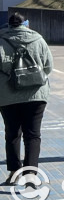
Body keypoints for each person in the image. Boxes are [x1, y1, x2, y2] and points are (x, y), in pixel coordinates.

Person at [0, 13, 53, 185]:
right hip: (36, 95)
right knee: (33, 134)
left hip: (7, 95)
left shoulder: (1, 40)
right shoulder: (38, 39)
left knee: (12, 133)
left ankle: (14, 173)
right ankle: (31, 175)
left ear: (9, 25)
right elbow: (48, 66)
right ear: (25, 24)